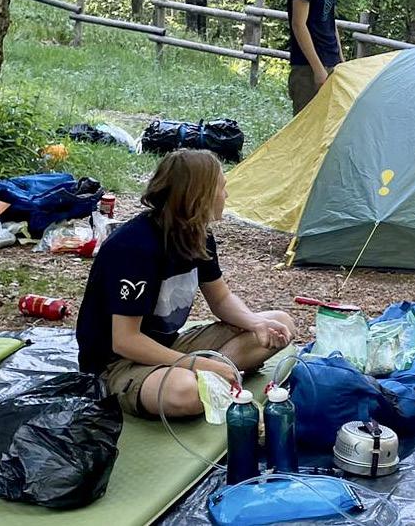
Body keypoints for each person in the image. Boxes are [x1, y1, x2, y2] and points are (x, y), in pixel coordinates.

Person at [75, 149, 296, 419]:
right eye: (221, 187)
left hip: (168, 345)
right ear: (197, 195)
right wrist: (201, 365)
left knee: (279, 323)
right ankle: (207, 376)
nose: (226, 195)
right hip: (117, 364)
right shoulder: (134, 247)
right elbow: (125, 341)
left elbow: (221, 300)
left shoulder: (198, 235)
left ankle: (210, 375)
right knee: (185, 393)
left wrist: (255, 323)